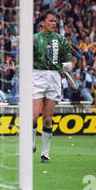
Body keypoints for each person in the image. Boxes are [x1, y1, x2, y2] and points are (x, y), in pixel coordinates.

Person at [32, 9, 72, 163]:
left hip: (54, 78)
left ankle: (45, 153)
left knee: (47, 119)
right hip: (37, 76)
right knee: (34, 116)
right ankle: (32, 143)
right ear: (43, 23)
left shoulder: (62, 41)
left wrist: (66, 69)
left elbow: (68, 61)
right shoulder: (34, 39)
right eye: (50, 21)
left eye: (55, 21)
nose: (54, 23)